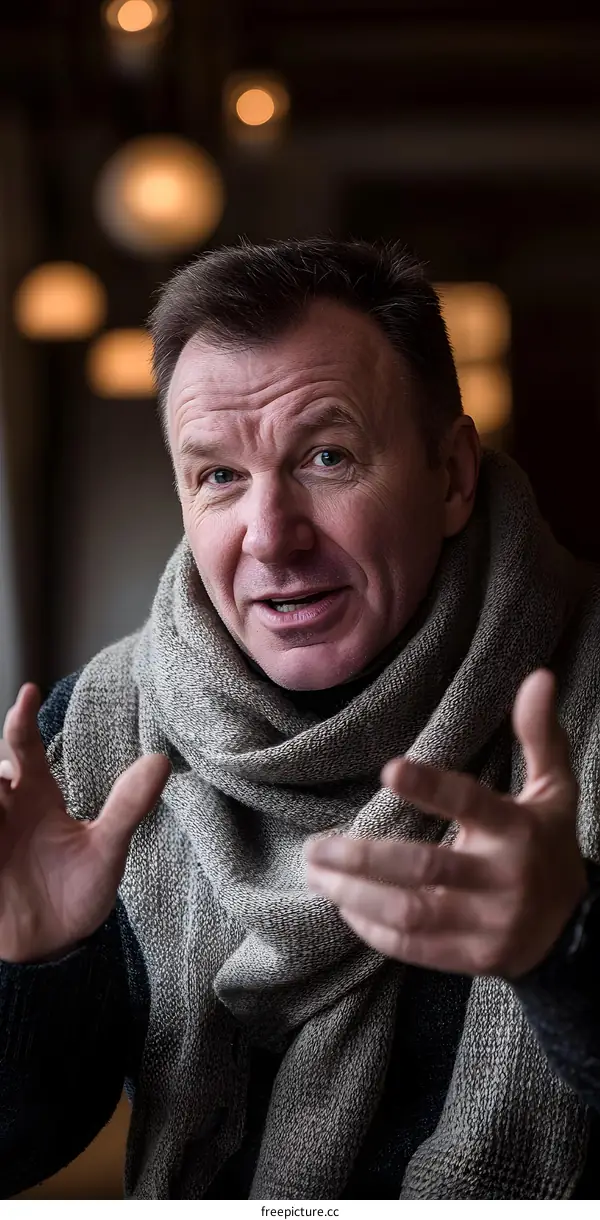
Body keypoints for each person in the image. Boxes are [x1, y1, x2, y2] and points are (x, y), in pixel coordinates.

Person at [1, 237, 600, 1201]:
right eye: (218, 477)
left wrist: (570, 951)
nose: (270, 536)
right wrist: (32, 962)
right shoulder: (100, 731)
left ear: (451, 476)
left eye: (327, 456)